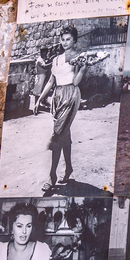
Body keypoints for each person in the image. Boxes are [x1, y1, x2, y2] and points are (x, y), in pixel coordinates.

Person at [34, 26, 86, 192]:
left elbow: (76, 81)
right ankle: (69, 168)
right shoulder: (56, 59)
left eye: (68, 39)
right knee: (64, 134)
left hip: (71, 95)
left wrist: (83, 68)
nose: (65, 42)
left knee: (57, 135)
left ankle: (52, 176)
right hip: (57, 97)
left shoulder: (79, 57)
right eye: (63, 39)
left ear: (74, 40)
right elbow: (51, 81)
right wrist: (39, 100)